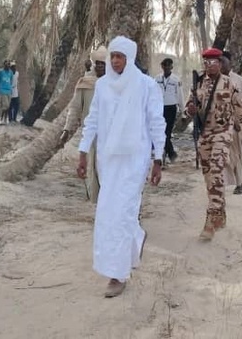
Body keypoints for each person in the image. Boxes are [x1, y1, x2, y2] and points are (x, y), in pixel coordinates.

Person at [76, 36, 166, 298]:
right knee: (107, 214)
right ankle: (134, 240)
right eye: (112, 56)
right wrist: (83, 152)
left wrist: (157, 159)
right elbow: (92, 120)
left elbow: (156, 122)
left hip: (134, 161)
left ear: (130, 57)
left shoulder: (146, 85)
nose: (115, 61)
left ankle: (118, 274)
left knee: (125, 213)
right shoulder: (102, 86)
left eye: (120, 56)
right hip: (108, 161)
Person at [186, 48, 242, 240]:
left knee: (216, 171)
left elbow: (241, 113)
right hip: (204, 135)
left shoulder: (230, 84)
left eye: (215, 61)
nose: (211, 65)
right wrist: (190, 110)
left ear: (220, 62)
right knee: (210, 178)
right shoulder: (197, 83)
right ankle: (220, 214)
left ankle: (210, 221)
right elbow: (187, 110)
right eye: (207, 62)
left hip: (223, 134)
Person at [62, 46, 108, 203]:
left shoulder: (115, 85)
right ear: (94, 64)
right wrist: (67, 129)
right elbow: (75, 108)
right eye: (98, 63)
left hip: (110, 133)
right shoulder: (85, 83)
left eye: (103, 63)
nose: (100, 66)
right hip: (91, 133)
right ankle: (95, 198)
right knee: (91, 166)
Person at [221, 51, 242, 195]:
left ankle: (239, 183)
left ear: (230, 63)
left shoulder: (238, 81)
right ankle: (222, 184)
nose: (221, 65)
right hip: (218, 125)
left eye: (223, 62)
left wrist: (240, 122)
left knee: (236, 154)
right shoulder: (213, 80)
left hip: (235, 125)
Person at [155, 58, 184, 164]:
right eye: (164, 65)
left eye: (169, 66)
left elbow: (180, 94)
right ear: (162, 66)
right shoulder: (157, 78)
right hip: (159, 108)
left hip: (171, 108)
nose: (166, 68)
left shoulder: (176, 79)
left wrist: (182, 108)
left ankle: (170, 153)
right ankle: (171, 153)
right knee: (161, 132)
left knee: (167, 132)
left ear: (171, 67)